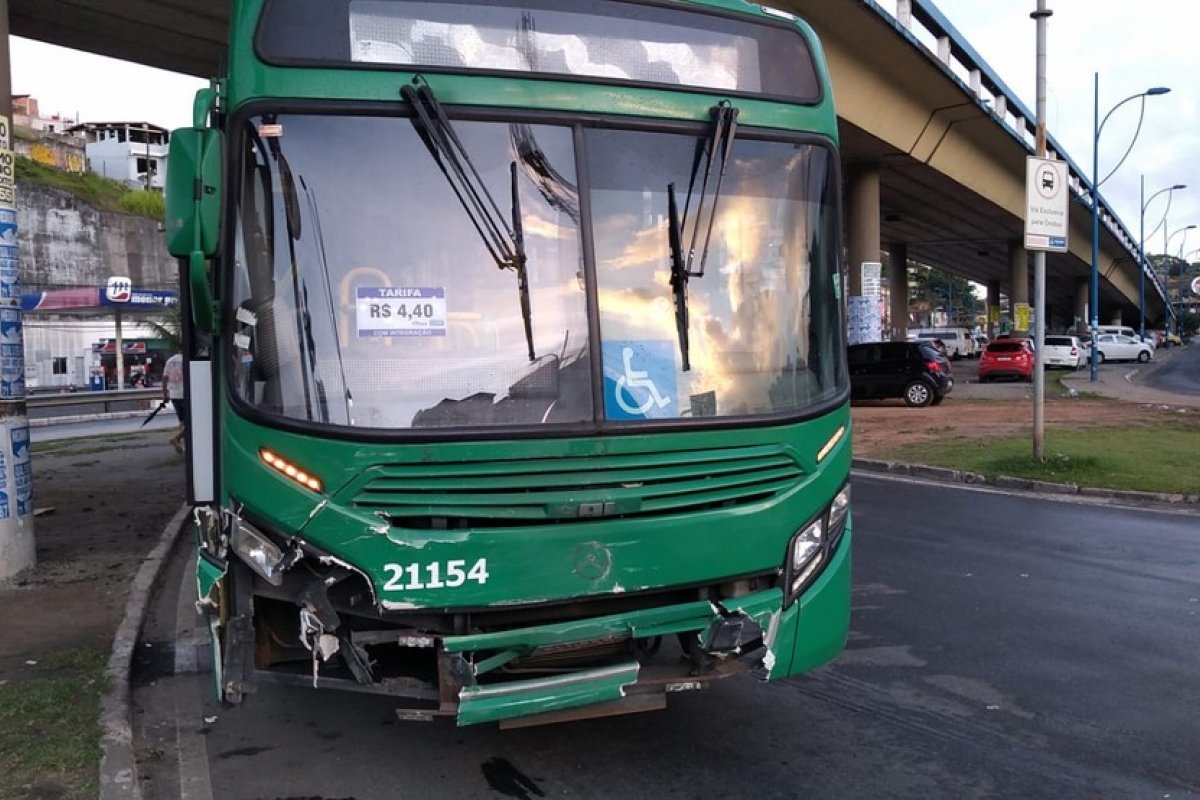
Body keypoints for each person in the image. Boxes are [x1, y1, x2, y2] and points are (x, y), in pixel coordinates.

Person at [162, 352, 187, 454]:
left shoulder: (170, 361)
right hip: (185, 394)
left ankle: (185, 445)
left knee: (182, 421)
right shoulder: (185, 360)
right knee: (191, 422)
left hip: (174, 394)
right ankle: (177, 438)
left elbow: (164, 378)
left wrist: (165, 394)